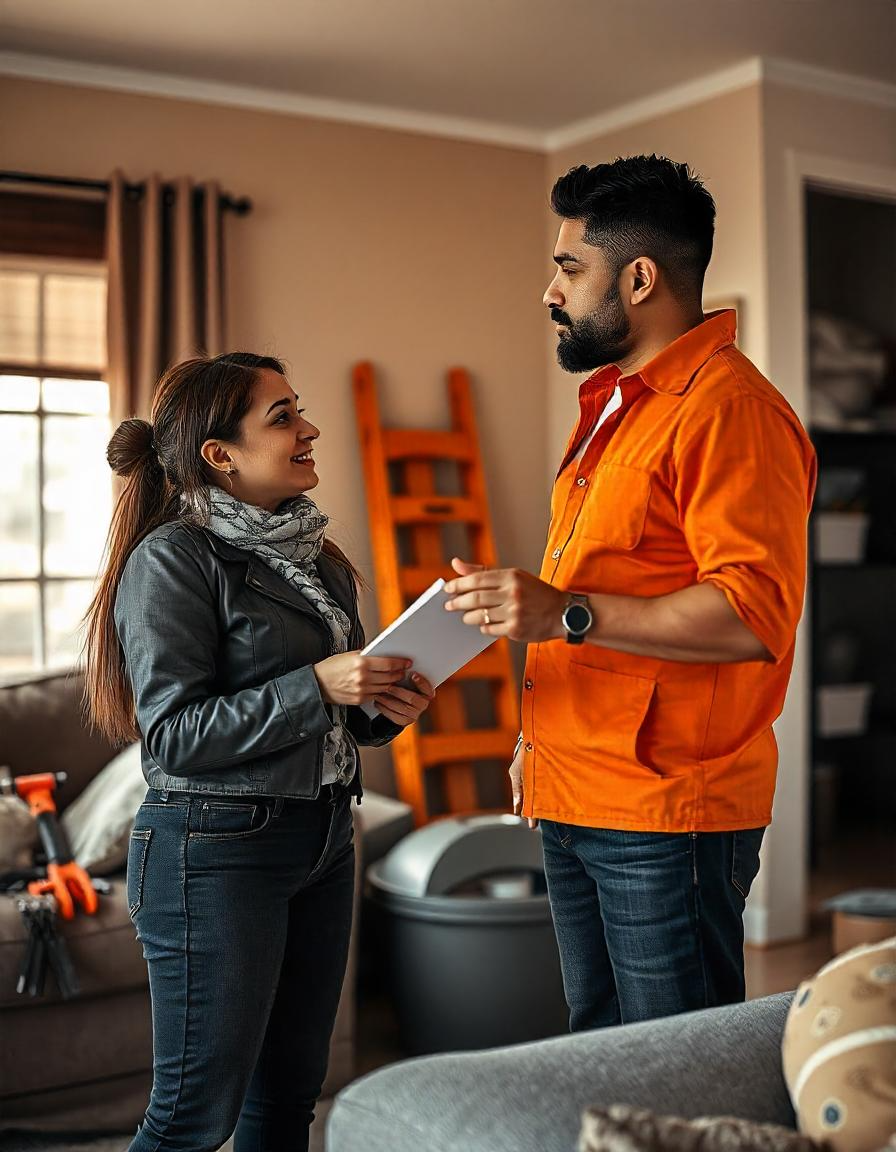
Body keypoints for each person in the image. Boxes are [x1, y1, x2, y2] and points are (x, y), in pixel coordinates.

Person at [444, 155, 816, 1030]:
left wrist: (563, 613)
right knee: (599, 1049)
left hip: (667, 811)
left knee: (672, 1066)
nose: (551, 290)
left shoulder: (731, 410)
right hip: (579, 789)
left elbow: (752, 613)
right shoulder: (619, 405)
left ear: (640, 279)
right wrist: (540, 747)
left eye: (570, 268)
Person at [83, 352, 433, 1151]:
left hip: (321, 838)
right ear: (220, 454)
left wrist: (384, 710)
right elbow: (172, 735)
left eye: (298, 410)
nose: (309, 429)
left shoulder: (321, 563)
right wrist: (320, 684)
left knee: (287, 1103)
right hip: (213, 849)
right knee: (190, 1120)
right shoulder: (172, 559)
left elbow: (335, 721)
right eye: (283, 417)